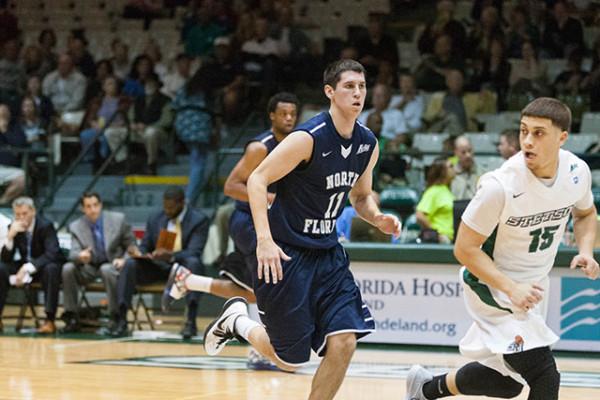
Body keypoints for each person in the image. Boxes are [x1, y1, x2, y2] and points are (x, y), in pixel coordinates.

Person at [202, 60, 401, 400]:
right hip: (286, 252)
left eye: (362, 87)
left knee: (344, 341)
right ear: (330, 92)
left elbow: (361, 195)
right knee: (289, 360)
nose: (357, 93)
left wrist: (378, 217)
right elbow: (257, 179)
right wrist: (263, 240)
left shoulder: (368, 143)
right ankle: (236, 321)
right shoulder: (307, 138)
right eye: (349, 86)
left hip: (327, 255)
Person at [405, 97, 599, 400]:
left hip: (533, 287)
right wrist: (510, 288)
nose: (527, 141)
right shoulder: (500, 185)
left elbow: (585, 214)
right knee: (544, 375)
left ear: (562, 137)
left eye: (538, 133)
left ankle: (426, 388)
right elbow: (465, 249)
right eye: (523, 131)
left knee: (506, 382)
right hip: (492, 284)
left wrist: (586, 250)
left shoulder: (577, 171)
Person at [163, 92, 299, 367]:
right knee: (269, 284)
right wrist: (271, 198)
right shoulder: (259, 148)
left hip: (269, 224)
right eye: (283, 113)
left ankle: (187, 281)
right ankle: (258, 350)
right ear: (271, 115)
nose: (288, 118)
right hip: (248, 222)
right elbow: (232, 186)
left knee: (250, 290)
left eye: (292, 114)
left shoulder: (296, 145)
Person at [112, 186, 209, 338]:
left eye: (171, 208)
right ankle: (122, 319)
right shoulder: (155, 218)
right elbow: (145, 246)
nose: (167, 211)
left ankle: (190, 321)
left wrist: (170, 256)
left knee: (194, 262)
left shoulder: (199, 220)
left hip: (181, 268)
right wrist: (138, 252)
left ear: (181, 203)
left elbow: (194, 251)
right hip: (157, 267)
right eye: (165, 207)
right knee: (130, 264)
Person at [61, 192, 139, 334]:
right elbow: (73, 253)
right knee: (68, 268)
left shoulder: (118, 220)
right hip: (89, 267)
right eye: (88, 206)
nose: (93, 210)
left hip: (112, 265)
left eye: (95, 205)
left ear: (101, 205)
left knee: (106, 269)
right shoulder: (75, 226)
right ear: (83, 209)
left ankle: (116, 317)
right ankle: (71, 316)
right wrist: (80, 256)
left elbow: (132, 246)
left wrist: (124, 259)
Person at [0, 197, 64, 334]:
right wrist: (10, 236)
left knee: (51, 269)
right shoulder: (14, 227)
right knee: (1, 268)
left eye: (24, 213)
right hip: (25, 267)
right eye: (17, 214)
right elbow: (6, 259)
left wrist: (28, 267)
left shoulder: (45, 226)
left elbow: (52, 254)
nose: (21, 217)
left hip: (42, 267)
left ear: (33, 211)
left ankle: (49, 320)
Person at [416, 158, 455, 244]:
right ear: (442, 171)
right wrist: (437, 234)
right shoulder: (434, 191)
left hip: (449, 239)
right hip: (439, 241)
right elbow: (420, 215)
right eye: (450, 167)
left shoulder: (447, 191)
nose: (454, 169)